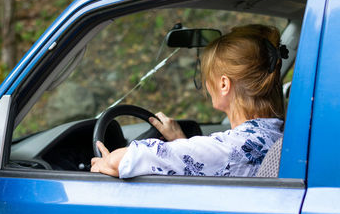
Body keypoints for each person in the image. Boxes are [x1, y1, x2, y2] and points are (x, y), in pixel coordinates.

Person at [91, 24, 287, 178]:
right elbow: (210, 165)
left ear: (224, 85)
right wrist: (179, 141)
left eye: (207, 77)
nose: (206, 86)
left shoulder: (232, 147)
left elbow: (124, 160)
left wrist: (104, 162)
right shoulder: (278, 136)